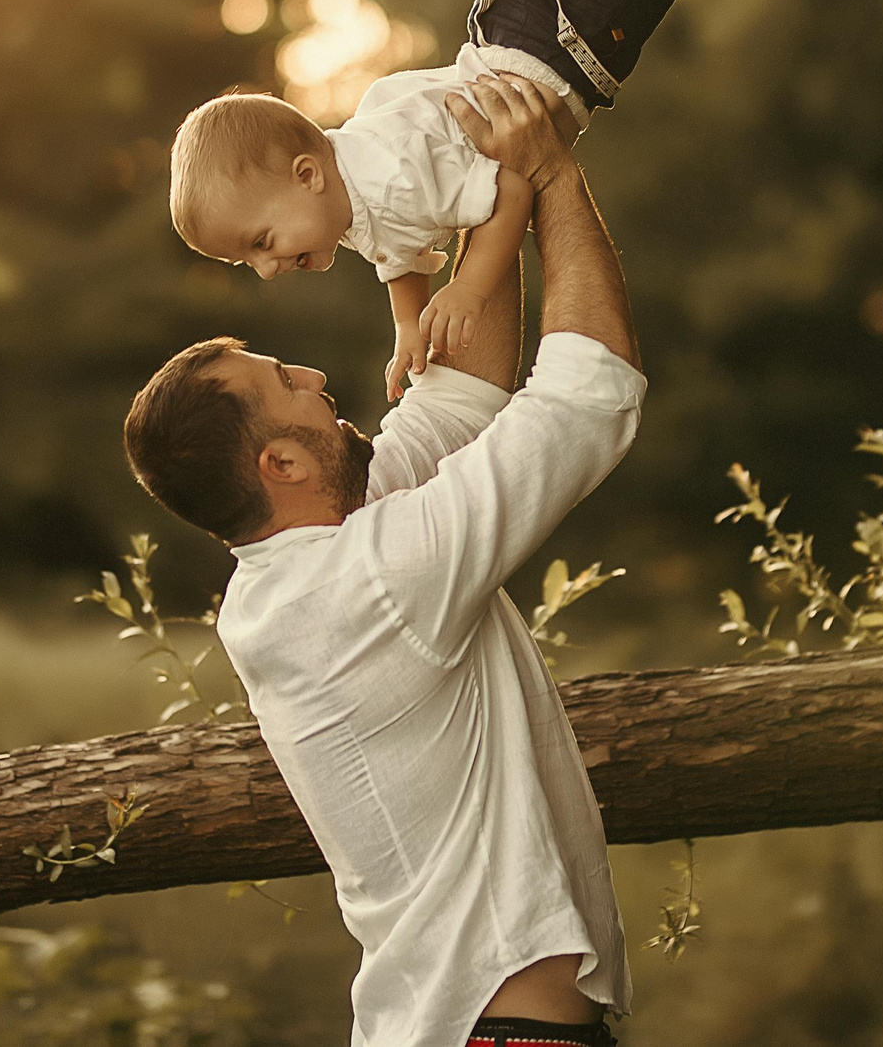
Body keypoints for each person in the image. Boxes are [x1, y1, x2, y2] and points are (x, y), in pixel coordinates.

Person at [123, 74, 645, 1047]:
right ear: (281, 465)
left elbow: (455, 404)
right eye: (287, 382)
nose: (317, 373)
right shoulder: (366, 583)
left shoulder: (304, 569)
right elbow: (589, 397)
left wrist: (482, 175)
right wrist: (553, 177)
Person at [165, 0, 693, 402]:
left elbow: (511, 188)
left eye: (262, 242)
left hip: (549, 49)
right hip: (515, 30)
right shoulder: (350, 197)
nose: (268, 270)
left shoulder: (389, 178)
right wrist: (407, 327)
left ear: (306, 175)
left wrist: (470, 289)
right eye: (250, 261)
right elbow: (397, 255)